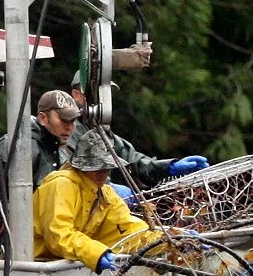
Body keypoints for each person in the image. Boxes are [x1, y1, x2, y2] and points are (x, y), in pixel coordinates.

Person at [33, 129, 156, 272]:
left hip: (66, 269)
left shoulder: (105, 193)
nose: (103, 173)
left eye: (106, 167)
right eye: (97, 167)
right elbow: (59, 236)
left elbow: (130, 230)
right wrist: (95, 254)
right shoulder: (61, 185)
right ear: (81, 166)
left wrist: (167, 240)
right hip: (34, 269)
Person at [69, 76, 209, 190]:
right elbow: (73, 172)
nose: (104, 99)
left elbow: (131, 160)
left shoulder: (98, 129)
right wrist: (109, 188)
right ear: (76, 95)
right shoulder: (69, 130)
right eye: (99, 93)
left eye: (106, 94)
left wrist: (168, 167)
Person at [0, 90, 80, 190]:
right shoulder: (21, 146)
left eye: (72, 121)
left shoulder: (61, 151)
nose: (69, 127)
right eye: (64, 120)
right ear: (43, 118)